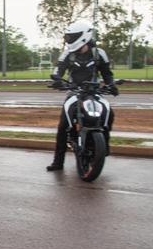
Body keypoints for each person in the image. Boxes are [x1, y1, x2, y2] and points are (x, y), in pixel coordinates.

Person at [46, 21, 118, 172]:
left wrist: (111, 85)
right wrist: (57, 80)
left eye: (72, 37)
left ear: (84, 36)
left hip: (94, 92)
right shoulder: (68, 54)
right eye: (69, 37)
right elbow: (58, 70)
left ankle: (104, 143)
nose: (69, 40)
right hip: (74, 91)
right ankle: (58, 162)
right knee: (63, 124)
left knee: (109, 113)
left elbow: (107, 75)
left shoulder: (99, 54)